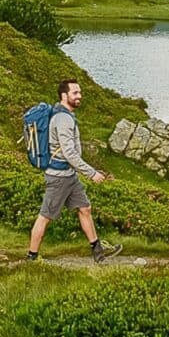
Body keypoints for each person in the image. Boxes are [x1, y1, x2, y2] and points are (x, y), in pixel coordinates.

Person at [27, 78, 123, 263]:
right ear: (64, 96)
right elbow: (68, 153)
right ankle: (31, 258)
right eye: (75, 93)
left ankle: (98, 252)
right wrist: (91, 173)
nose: (79, 96)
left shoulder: (64, 115)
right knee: (45, 216)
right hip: (58, 178)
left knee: (85, 208)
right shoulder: (63, 119)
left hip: (69, 176)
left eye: (80, 92)